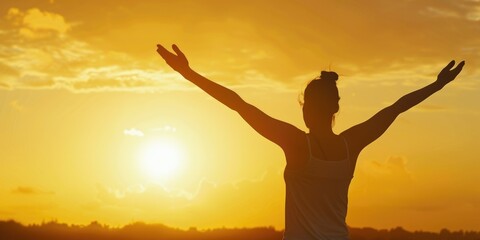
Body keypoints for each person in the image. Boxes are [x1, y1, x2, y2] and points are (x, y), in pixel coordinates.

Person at [156, 44, 465, 240]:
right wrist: (437, 85)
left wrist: (188, 73)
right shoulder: (350, 144)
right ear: (336, 109)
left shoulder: (295, 143)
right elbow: (396, 108)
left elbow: (239, 104)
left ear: (307, 108)